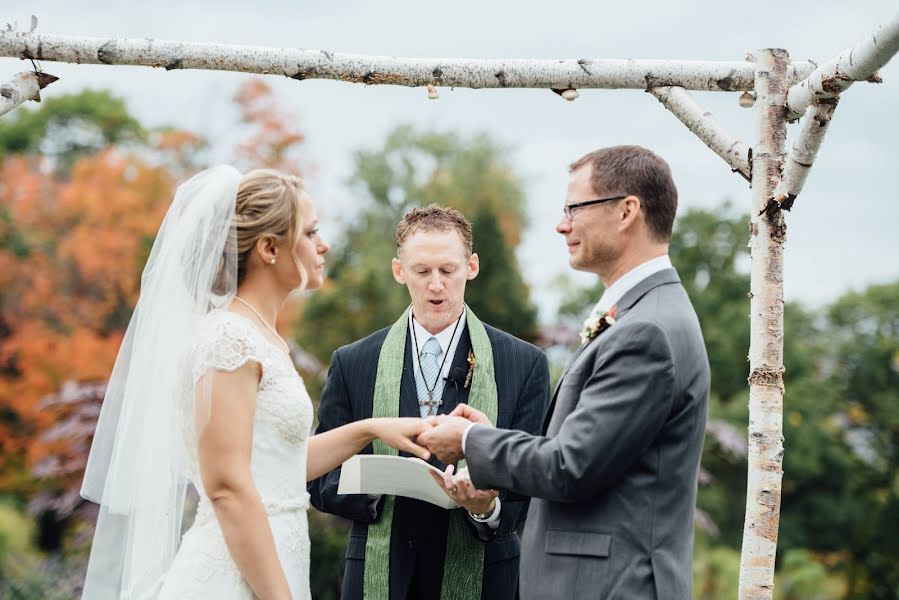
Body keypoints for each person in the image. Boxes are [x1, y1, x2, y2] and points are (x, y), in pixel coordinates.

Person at [80, 167, 430, 600]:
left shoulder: (261, 336)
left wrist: (370, 429)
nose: (325, 245)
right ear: (269, 247)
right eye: (311, 232)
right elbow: (227, 486)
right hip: (234, 575)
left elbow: (275, 466)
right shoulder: (228, 338)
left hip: (278, 558)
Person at [419, 146, 711, 599]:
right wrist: (492, 437)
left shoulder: (647, 330)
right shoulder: (643, 314)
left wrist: (468, 442)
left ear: (627, 211)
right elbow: (588, 453)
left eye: (575, 207)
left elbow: (569, 466)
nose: (562, 224)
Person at [308, 205, 550, 600]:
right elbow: (319, 478)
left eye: (448, 270)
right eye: (422, 271)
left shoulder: (524, 364)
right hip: (379, 574)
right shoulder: (353, 362)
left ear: (471, 267)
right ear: (399, 271)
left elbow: (530, 487)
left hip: (484, 578)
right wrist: (376, 487)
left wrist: (484, 507)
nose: (435, 285)